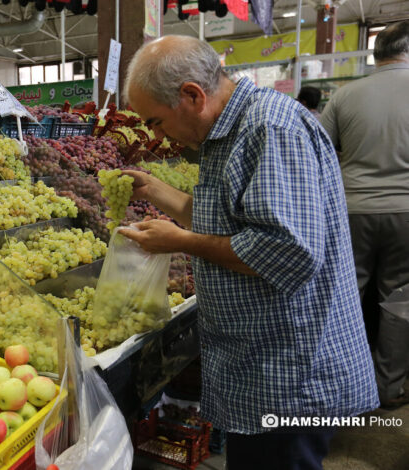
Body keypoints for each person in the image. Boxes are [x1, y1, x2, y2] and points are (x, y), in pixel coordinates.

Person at [121, 35, 378, 470]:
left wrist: (179, 241)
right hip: (262, 367)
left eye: (157, 121)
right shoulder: (230, 131)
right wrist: (158, 193)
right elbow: (232, 220)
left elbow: (287, 251)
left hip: (291, 374)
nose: (156, 134)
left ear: (191, 95)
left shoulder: (268, 129)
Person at [320, 21, 409, 410]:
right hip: (407, 213)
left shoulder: (344, 95)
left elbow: (317, 149)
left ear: (377, 53)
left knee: (345, 296)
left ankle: (339, 387)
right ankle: (389, 388)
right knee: (398, 299)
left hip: (351, 210)